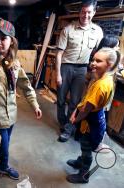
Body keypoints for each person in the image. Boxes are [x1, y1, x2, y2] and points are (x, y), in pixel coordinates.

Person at [0, 18, 42, 180]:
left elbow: (26, 86)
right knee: (2, 147)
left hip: (11, 114)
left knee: (5, 143)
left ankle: (3, 167)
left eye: (3, 38)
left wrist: (35, 104)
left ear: (12, 41)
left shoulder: (15, 64)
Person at [66, 47, 120, 184]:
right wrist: (76, 111)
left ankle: (84, 175)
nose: (93, 63)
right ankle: (80, 161)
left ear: (109, 65)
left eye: (98, 61)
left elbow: (86, 109)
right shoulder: (105, 78)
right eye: (93, 59)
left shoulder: (100, 85)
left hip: (91, 123)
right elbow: (86, 103)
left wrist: (75, 119)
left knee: (86, 147)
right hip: (96, 118)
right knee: (86, 146)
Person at [56, 0, 103, 142]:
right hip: (66, 67)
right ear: (79, 12)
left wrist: (95, 71)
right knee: (61, 98)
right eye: (83, 12)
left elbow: (98, 53)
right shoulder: (68, 30)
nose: (86, 15)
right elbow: (59, 54)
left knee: (75, 101)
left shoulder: (97, 32)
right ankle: (63, 122)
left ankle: (69, 127)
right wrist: (57, 74)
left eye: (89, 12)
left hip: (82, 69)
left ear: (93, 12)